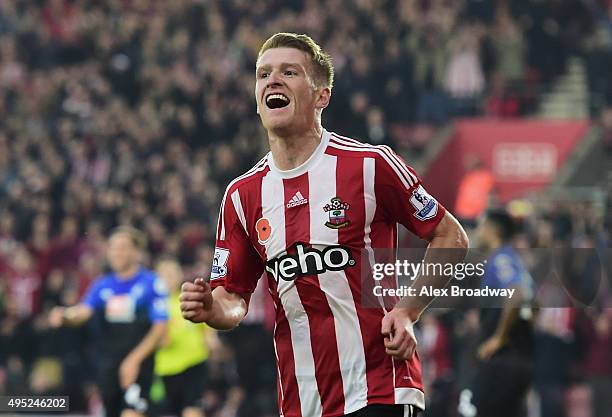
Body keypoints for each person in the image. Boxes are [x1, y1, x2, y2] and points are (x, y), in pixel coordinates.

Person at [180, 33, 468, 417]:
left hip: (380, 388)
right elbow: (232, 299)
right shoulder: (242, 195)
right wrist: (209, 309)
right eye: (263, 74)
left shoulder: (370, 165)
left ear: (322, 96)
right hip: (303, 402)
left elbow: (451, 236)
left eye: (289, 72)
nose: (273, 81)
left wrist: (408, 310)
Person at [49, 226, 168, 417]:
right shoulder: (102, 284)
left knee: (132, 413)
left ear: (136, 252)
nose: (116, 253)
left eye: (122, 248)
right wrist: (65, 315)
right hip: (108, 365)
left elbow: (160, 327)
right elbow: (83, 312)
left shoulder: (151, 283)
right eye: (113, 248)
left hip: (139, 364)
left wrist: (134, 360)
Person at [458, 209, 535, 417]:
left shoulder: (501, 259)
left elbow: (516, 294)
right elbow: (533, 305)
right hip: (519, 358)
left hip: (501, 361)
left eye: (482, 226)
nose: (478, 231)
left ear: (494, 230)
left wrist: (498, 338)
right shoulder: (516, 261)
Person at [155, 257, 221, 417]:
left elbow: (206, 329)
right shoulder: (156, 305)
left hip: (195, 363)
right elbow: (161, 341)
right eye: (164, 275)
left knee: (192, 409)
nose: (168, 279)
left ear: (179, 276)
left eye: (172, 274)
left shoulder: (188, 299)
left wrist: (213, 343)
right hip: (165, 367)